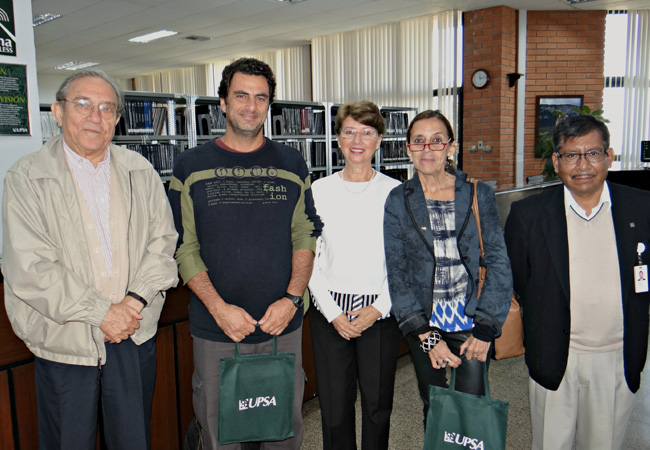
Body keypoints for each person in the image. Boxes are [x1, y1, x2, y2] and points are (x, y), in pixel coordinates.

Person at [2, 69, 179, 450]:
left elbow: (163, 242)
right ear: (58, 111)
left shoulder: (140, 171)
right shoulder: (26, 178)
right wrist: (101, 312)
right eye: (82, 104)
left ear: (117, 118)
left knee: (132, 440)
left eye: (106, 108)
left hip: (132, 334)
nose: (94, 117)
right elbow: (30, 267)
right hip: (66, 340)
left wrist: (132, 303)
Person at [168, 58, 322, 450]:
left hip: (282, 325)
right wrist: (220, 309)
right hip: (216, 328)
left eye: (261, 98)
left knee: (282, 429)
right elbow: (183, 245)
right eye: (241, 95)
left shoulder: (292, 163)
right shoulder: (190, 166)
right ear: (222, 102)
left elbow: (305, 232)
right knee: (221, 433)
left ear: (270, 105)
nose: (251, 106)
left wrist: (291, 300)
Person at [504, 114, 650, 450]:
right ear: (557, 162)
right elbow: (521, 282)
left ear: (609, 156)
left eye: (593, 153)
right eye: (571, 155)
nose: (582, 164)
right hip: (555, 356)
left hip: (617, 356)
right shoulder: (528, 216)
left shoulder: (641, 208)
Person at [383, 110, 512, 423]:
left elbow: (498, 261)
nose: (428, 149)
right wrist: (426, 336)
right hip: (425, 324)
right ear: (408, 148)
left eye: (437, 141)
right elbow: (397, 274)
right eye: (419, 141)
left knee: (470, 408)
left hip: (471, 323)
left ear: (451, 147)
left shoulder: (477, 194)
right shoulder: (398, 200)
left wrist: (484, 330)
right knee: (436, 408)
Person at [308, 101, 402, 450]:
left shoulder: (396, 192)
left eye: (367, 131)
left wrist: (377, 308)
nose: (357, 139)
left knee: (378, 407)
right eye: (349, 131)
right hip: (329, 313)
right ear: (338, 138)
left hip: (379, 314)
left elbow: (402, 260)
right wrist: (333, 313)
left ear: (379, 139)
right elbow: (309, 259)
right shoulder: (318, 190)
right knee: (333, 409)